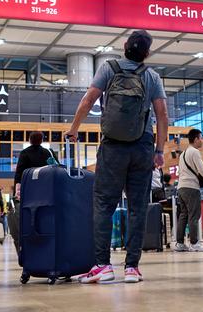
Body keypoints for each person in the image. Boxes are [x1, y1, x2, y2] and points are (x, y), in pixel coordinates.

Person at [66, 30, 168, 284]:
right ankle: (132, 267)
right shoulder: (152, 76)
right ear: (147, 53)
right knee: (137, 207)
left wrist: (74, 129)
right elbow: (162, 115)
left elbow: (88, 100)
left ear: (124, 46)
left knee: (103, 204)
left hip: (112, 146)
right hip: (142, 146)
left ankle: (103, 265)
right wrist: (159, 150)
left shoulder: (108, 69)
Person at [175, 129, 203, 252]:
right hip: (191, 187)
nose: (202, 140)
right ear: (196, 139)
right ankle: (194, 243)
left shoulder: (183, 154)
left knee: (183, 215)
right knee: (194, 216)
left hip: (181, 187)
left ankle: (180, 244)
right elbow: (202, 169)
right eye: (201, 138)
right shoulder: (195, 152)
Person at [13, 131, 57, 198]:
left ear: (30, 140)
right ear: (41, 140)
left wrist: (17, 189)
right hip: (46, 185)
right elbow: (56, 168)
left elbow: (19, 172)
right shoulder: (48, 152)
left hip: (29, 185)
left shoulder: (24, 153)